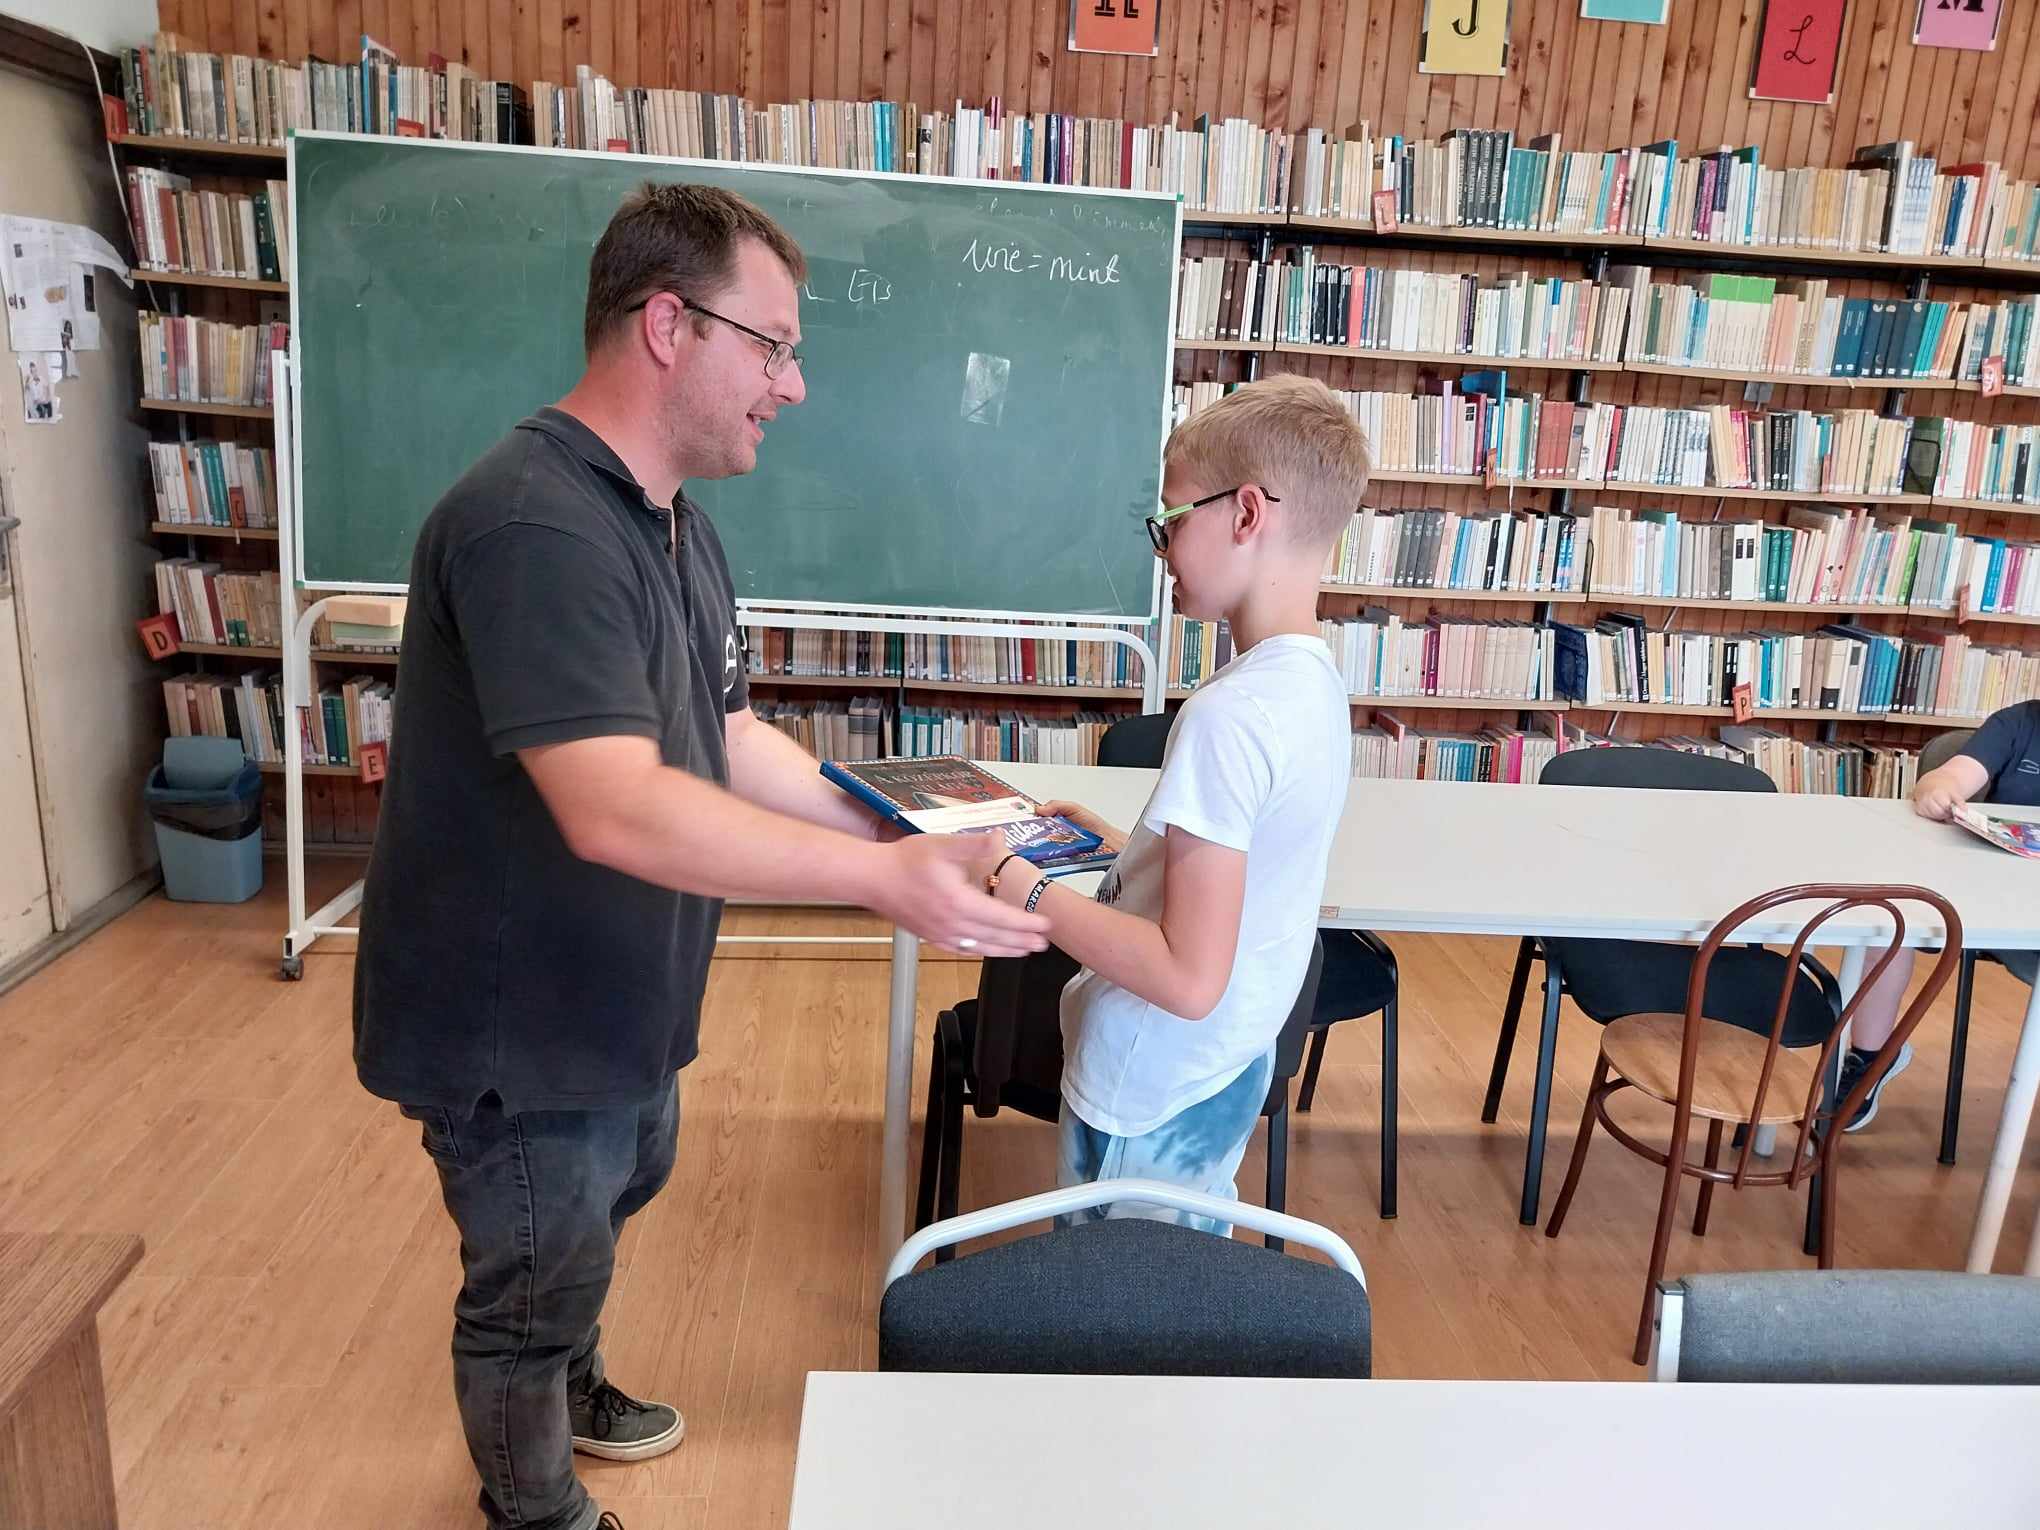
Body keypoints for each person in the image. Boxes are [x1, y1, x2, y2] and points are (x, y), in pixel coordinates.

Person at [352, 182, 1048, 1530]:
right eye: (774, 346)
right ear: (669, 326)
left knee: (614, 1197)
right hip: (515, 1024)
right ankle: (535, 1506)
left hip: (621, 993)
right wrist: (879, 882)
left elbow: (727, 738)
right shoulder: (534, 526)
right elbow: (613, 807)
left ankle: (571, 1379)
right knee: (532, 1276)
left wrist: (903, 824)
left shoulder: (673, 518)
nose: (795, 385)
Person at [973, 375, 1367, 1231]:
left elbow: (1186, 978)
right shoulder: (1311, 686)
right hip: (1222, 1067)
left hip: (1148, 1081)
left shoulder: (1230, 714)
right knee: (1176, 1280)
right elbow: (1240, 878)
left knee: (1116, 1297)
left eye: (1172, 520)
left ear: (1247, 513)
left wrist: (1024, 889)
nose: (1162, 547)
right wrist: (1130, 848)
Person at [1832, 698, 2040, 1131]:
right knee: (1890, 921)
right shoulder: (2020, 722)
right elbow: (1948, 776)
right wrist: (1937, 792)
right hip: (1991, 898)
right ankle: (1871, 1057)